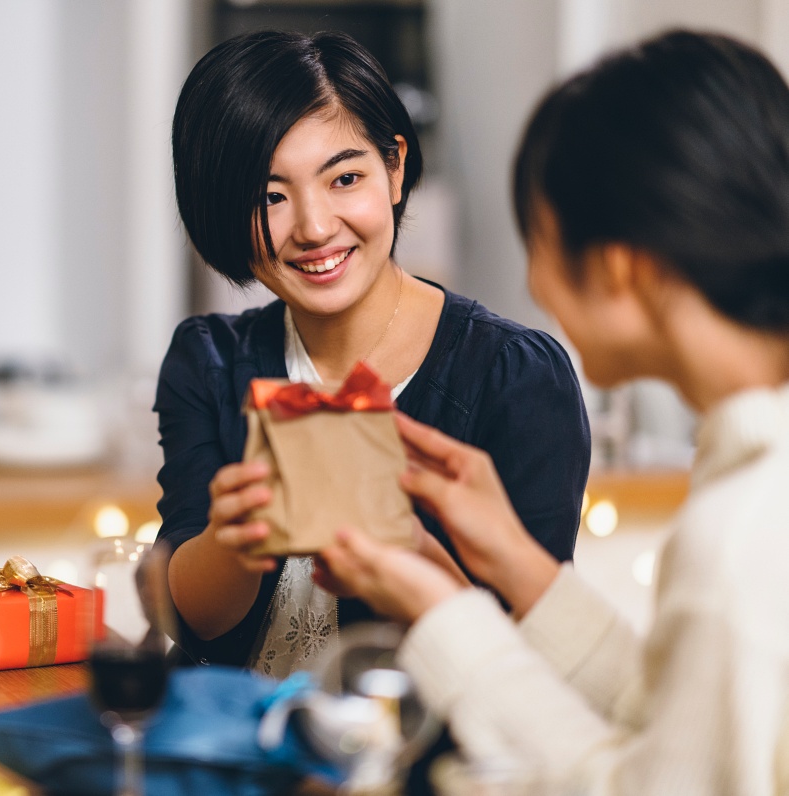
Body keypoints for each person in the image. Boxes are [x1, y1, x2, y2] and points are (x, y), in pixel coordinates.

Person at [315, 29, 789, 794]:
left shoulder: (740, 534)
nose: (534, 284)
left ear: (619, 268)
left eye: (537, 239)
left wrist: (440, 613)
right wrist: (516, 561)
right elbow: (694, 729)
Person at [147, 29, 590, 677]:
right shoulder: (209, 360)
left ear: (396, 168)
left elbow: (532, 663)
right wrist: (232, 541)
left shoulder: (516, 377)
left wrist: (411, 554)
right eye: (270, 196)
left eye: (345, 178)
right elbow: (191, 622)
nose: (315, 227)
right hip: (229, 732)